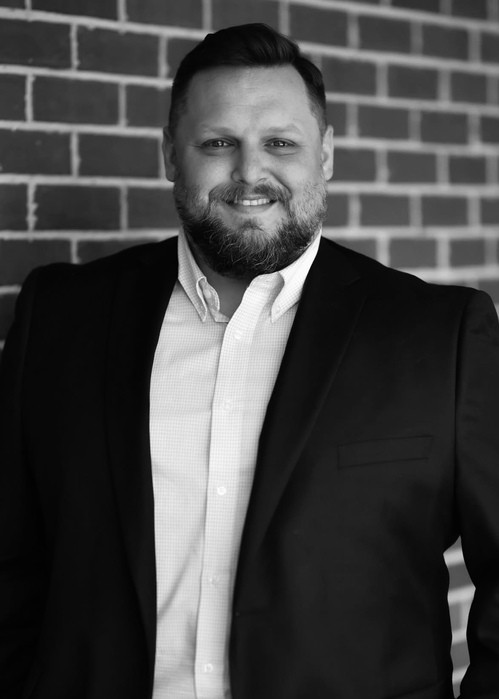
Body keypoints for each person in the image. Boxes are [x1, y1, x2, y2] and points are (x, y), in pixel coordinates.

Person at [0, 22, 498, 699]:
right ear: (170, 154)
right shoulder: (61, 316)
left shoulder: (440, 334)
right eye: (218, 143)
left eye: (280, 143)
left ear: (325, 155)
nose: (249, 172)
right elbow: (13, 562)